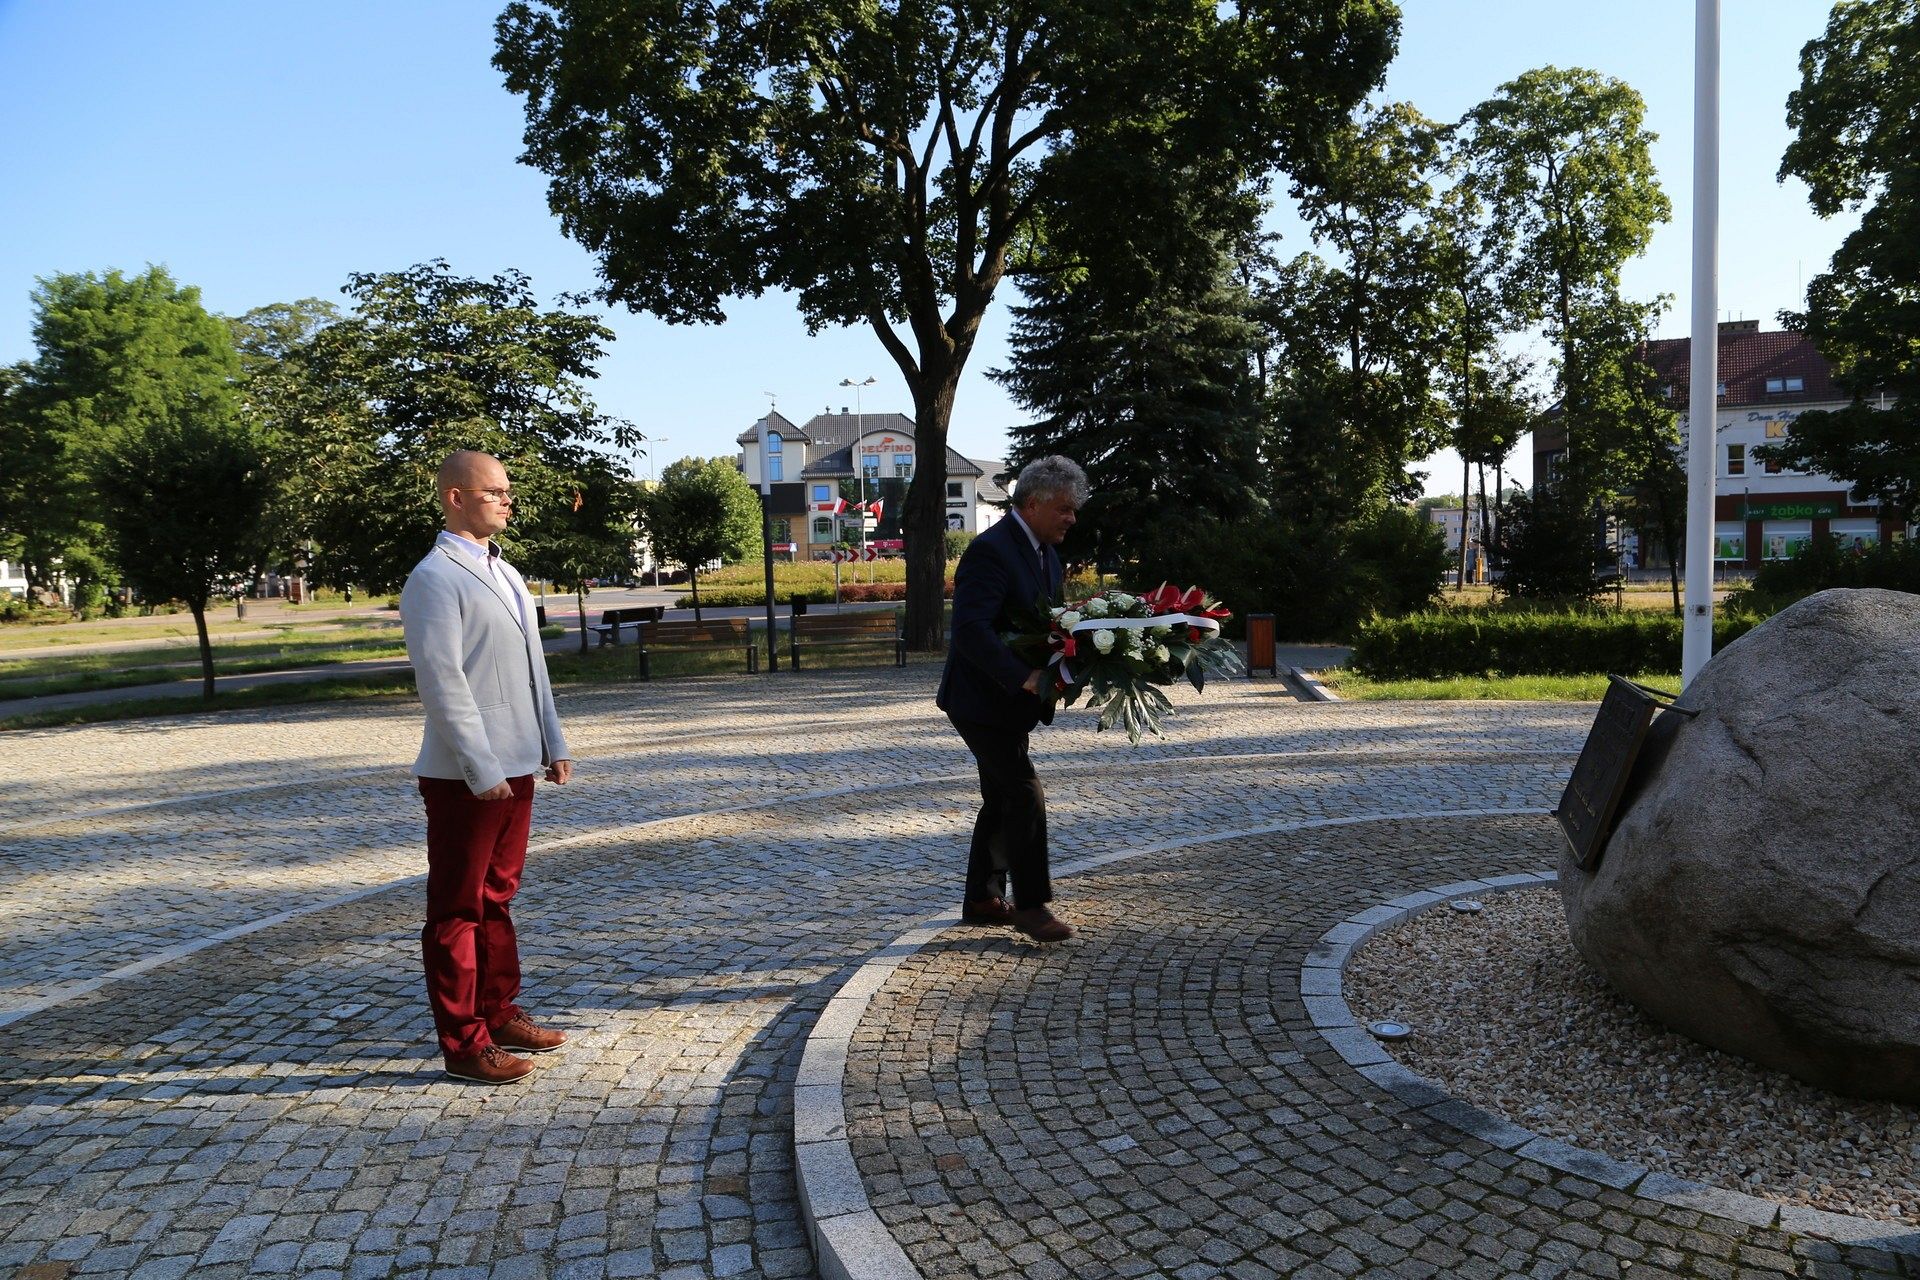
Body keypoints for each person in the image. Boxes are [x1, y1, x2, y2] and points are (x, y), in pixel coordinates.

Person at [400, 450, 574, 1085]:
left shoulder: (508, 573)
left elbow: (534, 669)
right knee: (457, 910)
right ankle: (465, 1044)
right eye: (494, 491)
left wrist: (552, 742)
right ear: (455, 497)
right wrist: (479, 769)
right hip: (464, 776)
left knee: (497, 899)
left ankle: (497, 1011)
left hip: (517, 763)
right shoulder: (432, 579)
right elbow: (442, 684)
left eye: (507, 491)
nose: (507, 500)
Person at [937, 455, 1088, 943]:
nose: (1071, 518)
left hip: (1010, 705)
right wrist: (1021, 676)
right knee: (1024, 792)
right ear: (1036, 502)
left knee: (1002, 796)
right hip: (980, 701)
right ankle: (1031, 906)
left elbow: (1048, 623)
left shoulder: (1046, 553)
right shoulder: (992, 550)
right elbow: (970, 631)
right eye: (1064, 508)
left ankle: (982, 898)